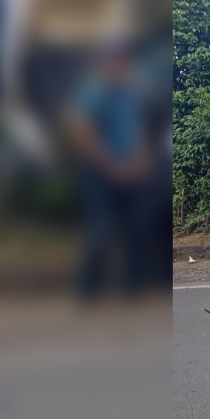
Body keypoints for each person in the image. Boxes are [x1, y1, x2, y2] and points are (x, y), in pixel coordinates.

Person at [69, 42, 150, 300]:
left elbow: (135, 132)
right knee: (101, 232)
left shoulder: (129, 94)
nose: (121, 67)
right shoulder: (94, 91)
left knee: (136, 229)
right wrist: (112, 166)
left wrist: (139, 161)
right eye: (116, 62)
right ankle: (87, 292)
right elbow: (82, 134)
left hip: (129, 172)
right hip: (100, 173)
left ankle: (132, 291)